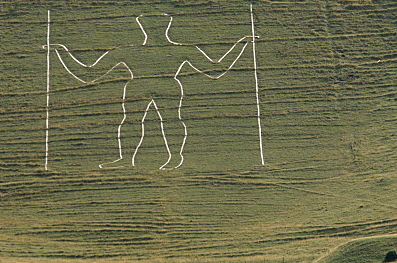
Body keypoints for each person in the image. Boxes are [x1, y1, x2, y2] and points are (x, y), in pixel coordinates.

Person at [46, 14, 256, 169]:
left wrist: (242, 44)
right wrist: (61, 51)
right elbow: (89, 74)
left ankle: (173, 157)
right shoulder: (131, 51)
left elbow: (215, 71)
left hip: (163, 86)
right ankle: (128, 159)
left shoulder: (176, 50)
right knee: (132, 122)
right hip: (141, 85)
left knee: (169, 120)